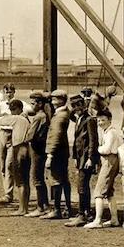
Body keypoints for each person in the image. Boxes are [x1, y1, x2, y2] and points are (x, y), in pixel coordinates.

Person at [0, 84, 32, 203]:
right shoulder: (0, 105)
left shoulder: (21, 103)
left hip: (14, 135)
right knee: (2, 165)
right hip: (2, 134)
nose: (9, 94)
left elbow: (30, 111)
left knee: (9, 165)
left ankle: (8, 194)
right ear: (4, 93)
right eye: (7, 92)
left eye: (11, 91)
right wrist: (1, 119)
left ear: (14, 92)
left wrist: (17, 115)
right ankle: (8, 192)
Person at [85, 108, 122, 228]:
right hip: (108, 160)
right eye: (99, 120)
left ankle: (98, 220)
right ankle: (114, 219)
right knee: (109, 191)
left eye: (103, 120)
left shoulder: (111, 132)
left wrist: (98, 148)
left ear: (110, 120)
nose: (100, 123)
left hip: (109, 159)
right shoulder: (106, 131)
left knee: (99, 191)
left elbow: (106, 149)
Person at [66, 94, 99, 226]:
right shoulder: (78, 118)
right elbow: (76, 141)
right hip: (80, 158)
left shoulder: (89, 120)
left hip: (86, 158)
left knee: (82, 186)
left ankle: (81, 214)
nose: (76, 108)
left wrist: (91, 158)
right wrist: (75, 157)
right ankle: (86, 213)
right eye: (73, 106)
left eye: (78, 105)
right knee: (83, 185)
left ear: (83, 105)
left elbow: (93, 141)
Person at [42, 90, 72, 219]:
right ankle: (68, 208)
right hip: (62, 152)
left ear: (62, 100)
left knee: (56, 180)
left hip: (56, 153)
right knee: (64, 180)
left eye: (55, 100)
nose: (53, 102)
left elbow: (55, 136)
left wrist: (50, 155)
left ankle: (57, 209)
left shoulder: (59, 117)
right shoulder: (64, 113)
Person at [0, 100, 32, 216]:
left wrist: (2, 115)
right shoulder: (25, 119)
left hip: (19, 149)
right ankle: (24, 207)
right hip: (26, 149)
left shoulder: (17, 118)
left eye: (13, 109)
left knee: (20, 181)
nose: (12, 111)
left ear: (19, 109)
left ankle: (22, 209)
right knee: (25, 181)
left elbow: (1, 121)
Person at [24, 91, 50, 217]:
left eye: (33, 103)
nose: (32, 105)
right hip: (41, 149)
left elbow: (30, 136)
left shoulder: (39, 117)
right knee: (39, 178)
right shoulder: (44, 115)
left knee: (36, 179)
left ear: (40, 104)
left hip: (36, 150)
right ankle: (44, 205)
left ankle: (41, 207)